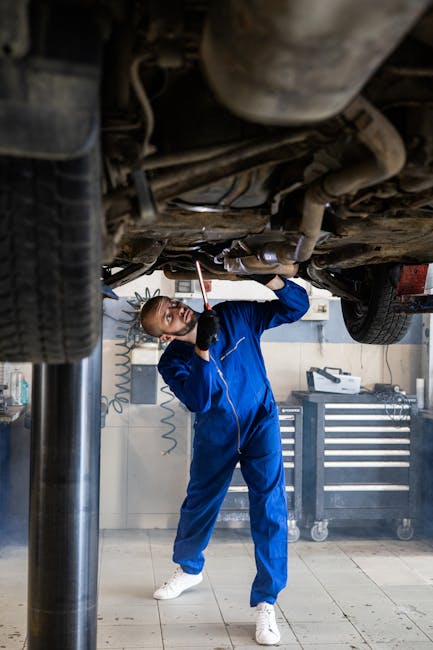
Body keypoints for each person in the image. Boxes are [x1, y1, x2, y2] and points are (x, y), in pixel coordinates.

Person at [140, 274, 309, 646]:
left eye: (171, 304)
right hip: (216, 435)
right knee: (200, 502)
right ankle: (188, 569)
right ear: (165, 336)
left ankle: (266, 601)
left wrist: (269, 278)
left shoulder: (234, 315)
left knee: (269, 507)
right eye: (167, 317)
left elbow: (297, 307)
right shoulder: (171, 362)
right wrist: (202, 349)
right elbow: (200, 400)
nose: (176, 309)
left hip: (259, 422)